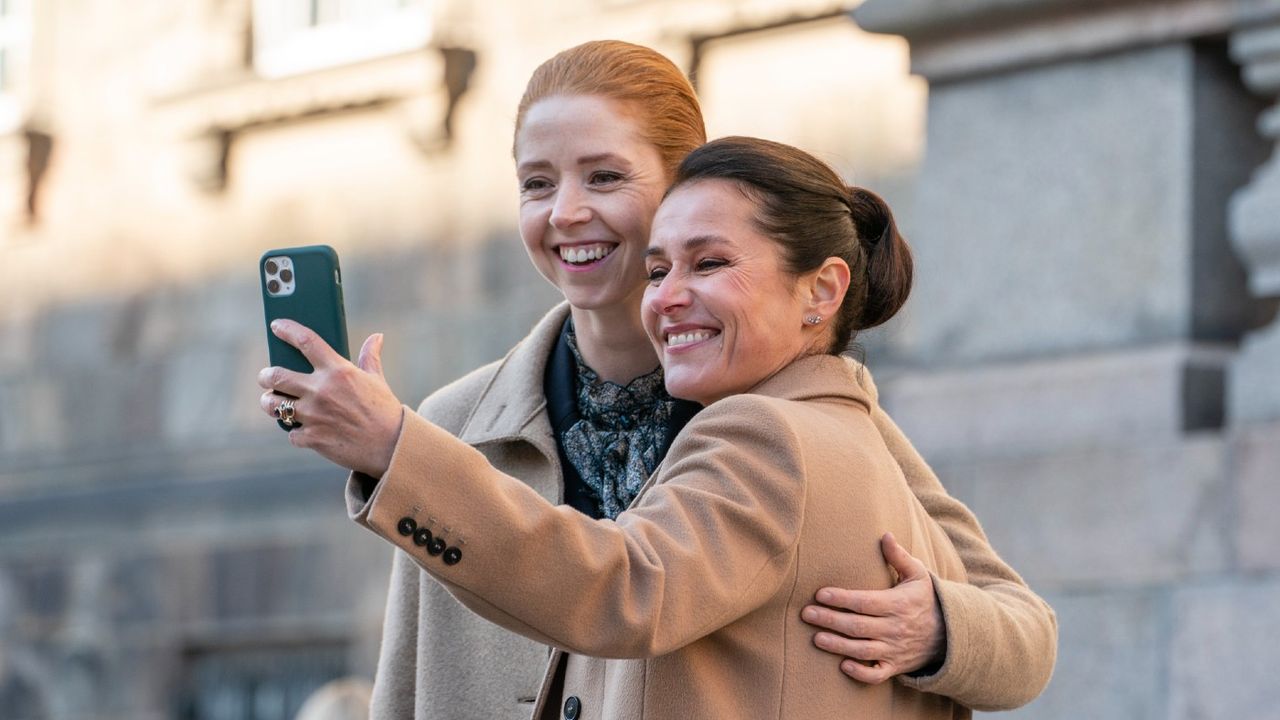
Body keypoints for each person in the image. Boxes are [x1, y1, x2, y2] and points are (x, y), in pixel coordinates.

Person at [257, 40, 1055, 719]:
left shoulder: (785, 411)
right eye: (537, 183)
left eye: (603, 177)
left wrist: (938, 625)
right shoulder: (453, 420)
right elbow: (406, 688)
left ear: (682, 186)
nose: (565, 211)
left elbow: (1023, 631)